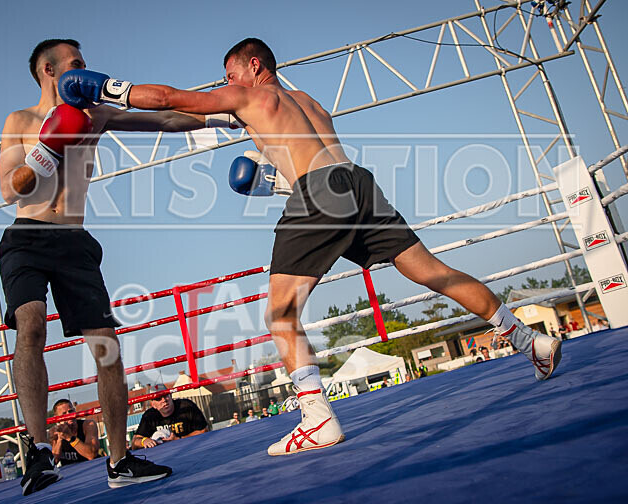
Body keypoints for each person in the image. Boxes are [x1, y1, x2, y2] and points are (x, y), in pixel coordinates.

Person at [58, 37, 563, 456]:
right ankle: (529, 341)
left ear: (254, 67)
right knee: (433, 271)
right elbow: (307, 162)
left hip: (321, 193)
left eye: (231, 74)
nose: (227, 84)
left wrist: (108, 87)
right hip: (357, 183)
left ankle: (318, 418)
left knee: (279, 314)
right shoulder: (310, 104)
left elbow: (171, 98)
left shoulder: (251, 97)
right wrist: (270, 184)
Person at [0, 39, 208, 493]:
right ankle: (36, 451)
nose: (85, 69)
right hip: (27, 236)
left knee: (106, 347)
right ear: (49, 70)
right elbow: (8, 190)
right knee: (30, 327)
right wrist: (48, 147)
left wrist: (228, 111)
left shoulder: (97, 114)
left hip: (74, 240)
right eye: (76, 63)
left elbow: (168, 118)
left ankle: (119, 461)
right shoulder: (20, 121)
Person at [131, 387, 209, 449]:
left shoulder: (186, 406)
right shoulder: (149, 416)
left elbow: (204, 430)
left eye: (165, 396)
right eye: (158, 399)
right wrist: (144, 441)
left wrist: (179, 439)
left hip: (192, 448)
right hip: (164, 455)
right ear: (153, 404)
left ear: (170, 396)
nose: (164, 400)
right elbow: (134, 442)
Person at [49, 399, 99, 466]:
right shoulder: (54, 432)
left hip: (93, 467)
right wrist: (59, 440)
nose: (69, 415)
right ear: (57, 418)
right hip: (71, 472)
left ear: (75, 411)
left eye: (71, 411)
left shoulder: (88, 425)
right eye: (64, 414)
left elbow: (91, 455)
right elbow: (54, 461)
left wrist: (69, 437)